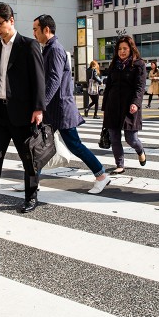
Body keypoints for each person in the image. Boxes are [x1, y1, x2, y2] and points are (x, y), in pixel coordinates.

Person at [32, 15, 111, 194]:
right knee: (40, 145)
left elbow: (53, 79)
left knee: (74, 145)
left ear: (46, 29)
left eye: (36, 29)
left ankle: (101, 176)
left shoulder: (55, 49)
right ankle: (32, 182)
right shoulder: (48, 48)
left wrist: (41, 105)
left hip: (59, 109)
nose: (34, 33)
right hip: (53, 109)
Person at [0, 2, 45, 218]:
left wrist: (38, 108)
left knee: (28, 157)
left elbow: (39, 79)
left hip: (23, 112)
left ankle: (31, 196)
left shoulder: (29, 45)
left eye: (0, 24)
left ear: (11, 21)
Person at [102, 35, 147, 174]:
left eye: (125, 49)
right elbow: (108, 86)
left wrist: (136, 103)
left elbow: (140, 87)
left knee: (131, 139)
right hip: (113, 105)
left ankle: (140, 150)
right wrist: (104, 106)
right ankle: (119, 164)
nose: (122, 51)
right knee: (114, 138)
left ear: (131, 49)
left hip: (130, 106)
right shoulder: (114, 64)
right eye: (120, 49)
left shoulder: (139, 64)